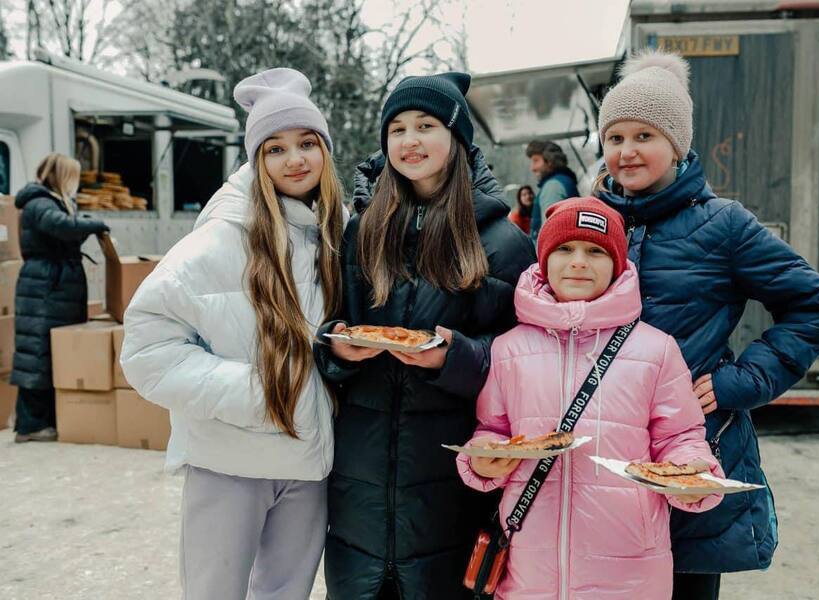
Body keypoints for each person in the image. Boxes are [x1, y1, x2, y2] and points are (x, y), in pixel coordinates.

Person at [593, 50, 819, 600]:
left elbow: (814, 305)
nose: (627, 152)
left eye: (644, 136)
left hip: (690, 449)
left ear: (676, 144)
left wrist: (742, 382)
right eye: (614, 138)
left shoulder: (724, 224)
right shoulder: (590, 219)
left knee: (686, 584)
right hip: (600, 450)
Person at [120, 68, 346, 599]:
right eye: (275, 148)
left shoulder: (332, 234)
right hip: (230, 461)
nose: (295, 159)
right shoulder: (223, 236)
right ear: (255, 160)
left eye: (307, 143)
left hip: (307, 465)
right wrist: (258, 394)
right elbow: (146, 349)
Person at [314, 72, 535, 599]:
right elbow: (333, 324)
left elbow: (521, 363)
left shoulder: (503, 243)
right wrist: (337, 349)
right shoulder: (361, 230)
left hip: (449, 479)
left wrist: (452, 359)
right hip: (359, 480)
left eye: (426, 125)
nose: (409, 141)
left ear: (456, 138)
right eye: (397, 129)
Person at [457, 197, 724, 598]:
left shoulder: (656, 349)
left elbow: (681, 437)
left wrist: (694, 474)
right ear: (543, 261)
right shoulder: (508, 349)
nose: (579, 261)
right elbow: (492, 430)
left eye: (596, 251)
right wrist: (482, 459)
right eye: (564, 249)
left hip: (630, 562)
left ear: (617, 264)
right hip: (530, 561)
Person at [10, 153, 108, 443]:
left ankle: (42, 421)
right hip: (44, 288)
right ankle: (30, 426)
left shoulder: (49, 201)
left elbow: (65, 232)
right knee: (37, 353)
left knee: (49, 352)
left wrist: (85, 221)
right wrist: (94, 223)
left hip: (51, 285)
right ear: (62, 175)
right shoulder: (40, 203)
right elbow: (61, 227)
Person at [525, 140, 579, 240]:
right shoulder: (564, 181)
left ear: (550, 161)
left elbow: (551, 236)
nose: (532, 168)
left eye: (536, 161)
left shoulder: (553, 187)